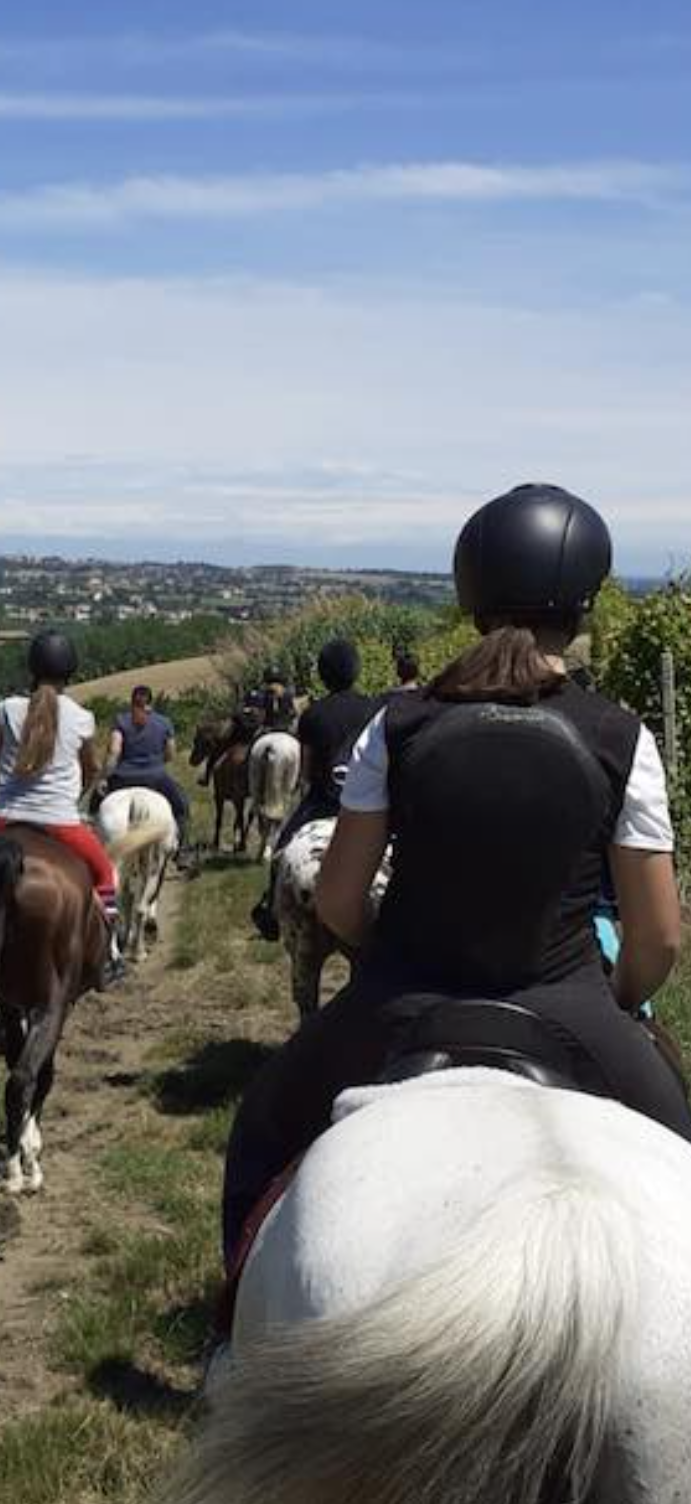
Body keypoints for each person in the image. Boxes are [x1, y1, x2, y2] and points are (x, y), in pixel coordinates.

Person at [220, 483, 691, 1262]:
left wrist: (387, 960)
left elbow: (339, 900)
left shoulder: (396, 722)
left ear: (471, 595)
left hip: (402, 998)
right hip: (569, 1003)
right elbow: (658, 937)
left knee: (262, 1129)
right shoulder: (621, 736)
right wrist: (619, 1004)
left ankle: (229, 1322)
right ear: (583, 603)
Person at [0, 629, 124, 985]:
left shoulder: (6, 709)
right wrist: (75, 793)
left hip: (1, 819)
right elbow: (89, 770)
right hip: (61, 823)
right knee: (106, 876)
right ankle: (109, 955)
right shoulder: (82, 718)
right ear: (71, 671)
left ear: (32, 667)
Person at [248, 638, 381, 940]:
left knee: (283, 844)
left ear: (323, 674)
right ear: (355, 672)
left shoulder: (314, 714)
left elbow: (306, 768)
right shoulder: (374, 709)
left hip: (323, 800)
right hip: (367, 803)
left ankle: (270, 908)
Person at [104, 684, 192, 827]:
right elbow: (170, 753)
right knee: (181, 807)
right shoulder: (164, 722)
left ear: (132, 701)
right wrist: (156, 762)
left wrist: (104, 777)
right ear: (151, 702)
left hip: (123, 777)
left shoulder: (120, 720)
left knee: (94, 805)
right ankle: (181, 841)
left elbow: (114, 751)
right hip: (156, 777)